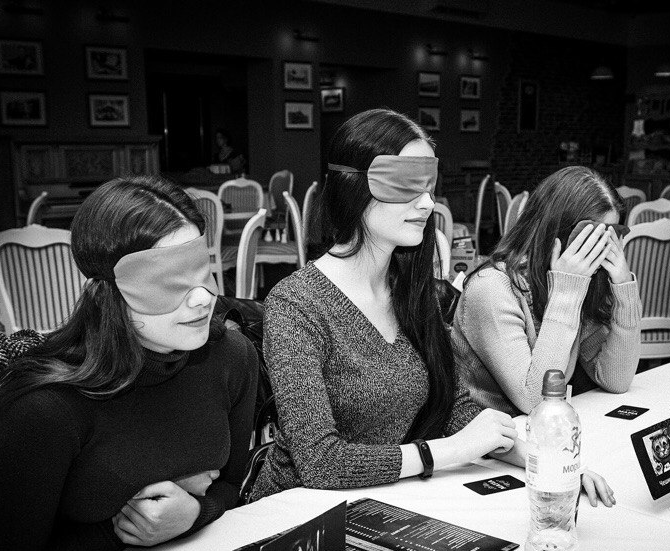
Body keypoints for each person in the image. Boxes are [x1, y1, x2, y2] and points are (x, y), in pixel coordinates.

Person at [0, 176, 259, 551]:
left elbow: (233, 484)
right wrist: (123, 528)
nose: (202, 298)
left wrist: (196, 511)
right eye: (168, 280)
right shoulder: (46, 407)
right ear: (110, 291)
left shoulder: (230, 356)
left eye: (201, 269)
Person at [249, 108, 521, 501]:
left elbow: (454, 407)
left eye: (429, 186)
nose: (427, 204)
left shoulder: (412, 290)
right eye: (407, 185)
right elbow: (319, 461)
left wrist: (540, 462)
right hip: (294, 514)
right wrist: (447, 451)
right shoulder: (296, 305)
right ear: (354, 187)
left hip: (379, 501)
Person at [452, 166, 642, 416]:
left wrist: (623, 287)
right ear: (555, 230)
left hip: (541, 427)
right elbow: (535, 400)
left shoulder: (580, 282)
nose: (601, 249)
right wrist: (567, 293)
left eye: (611, 235)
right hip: (487, 432)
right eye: (590, 237)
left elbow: (616, 379)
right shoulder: (491, 288)